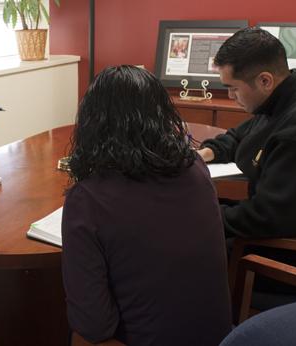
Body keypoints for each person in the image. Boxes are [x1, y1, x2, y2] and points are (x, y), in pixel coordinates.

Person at [61, 65, 231, 345]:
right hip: (219, 337)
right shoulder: (196, 166)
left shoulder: (87, 199)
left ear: (92, 123)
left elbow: (93, 326)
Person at [196, 28, 296, 253]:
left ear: (265, 80)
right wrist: (205, 153)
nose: (230, 96)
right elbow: (239, 136)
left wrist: (197, 216)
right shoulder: (280, 103)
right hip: (276, 222)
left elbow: (270, 218)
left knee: (185, 246)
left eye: (233, 88)